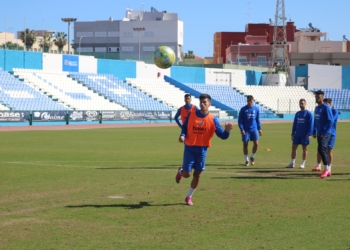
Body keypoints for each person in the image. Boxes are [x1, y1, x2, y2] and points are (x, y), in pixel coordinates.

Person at [175, 94, 233, 206]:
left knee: (197, 174)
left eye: (205, 102)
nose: (202, 104)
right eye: (201, 102)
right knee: (187, 174)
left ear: (209, 104)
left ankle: (189, 196)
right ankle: (181, 171)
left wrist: (227, 131)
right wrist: (182, 136)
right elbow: (185, 129)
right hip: (190, 149)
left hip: (202, 151)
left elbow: (222, 136)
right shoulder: (191, 115)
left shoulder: (212, 119)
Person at [286, 99, 314, 169]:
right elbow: (295, 124)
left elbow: (311, 124)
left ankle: (303, 163)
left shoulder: (309, 114)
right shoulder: (297, 113)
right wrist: (292, 133)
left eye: (302, 103)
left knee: (304, 148)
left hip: (305, 134)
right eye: (300, 103)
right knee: (294, 147)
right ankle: (292, 163)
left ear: (305, 104)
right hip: (297, 134)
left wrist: (310, 134)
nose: (301, 105)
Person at [312, 90, 333, 178]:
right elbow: (316, 121)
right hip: (319, 133)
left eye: (319, 97)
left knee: (321, 150)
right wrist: (314, 131)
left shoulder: (326, 107)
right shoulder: (317, 108)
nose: (317, 99)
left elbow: (330, 120)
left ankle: (326, 169)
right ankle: (327, 170)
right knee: (322, 150)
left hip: (326, 133)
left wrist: (325, 132)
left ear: (322, 97)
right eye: (316, 97)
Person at [313, 98, 338, 172]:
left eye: (327, 104)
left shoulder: (334, 111)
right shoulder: (322, 109)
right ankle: (318, 165)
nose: (326, 105)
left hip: (331, 133)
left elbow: (331, 120)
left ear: (330, 104)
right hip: (323, 132)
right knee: (320, 149)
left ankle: (329, 167)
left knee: (329, 150)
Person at [238, 95, 262, 166]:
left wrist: (259, 129)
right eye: (248, 101)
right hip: (246, 130)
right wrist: (241, 129)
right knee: (245, 144)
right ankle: (246, 160)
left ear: (253, 101)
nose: (249, 102)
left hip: (254, 129)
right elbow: (240, 120)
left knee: (256, 144)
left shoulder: (256, 109)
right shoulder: (243, 109)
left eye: (250, 101)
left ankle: (252, 157)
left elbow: (257, 120)